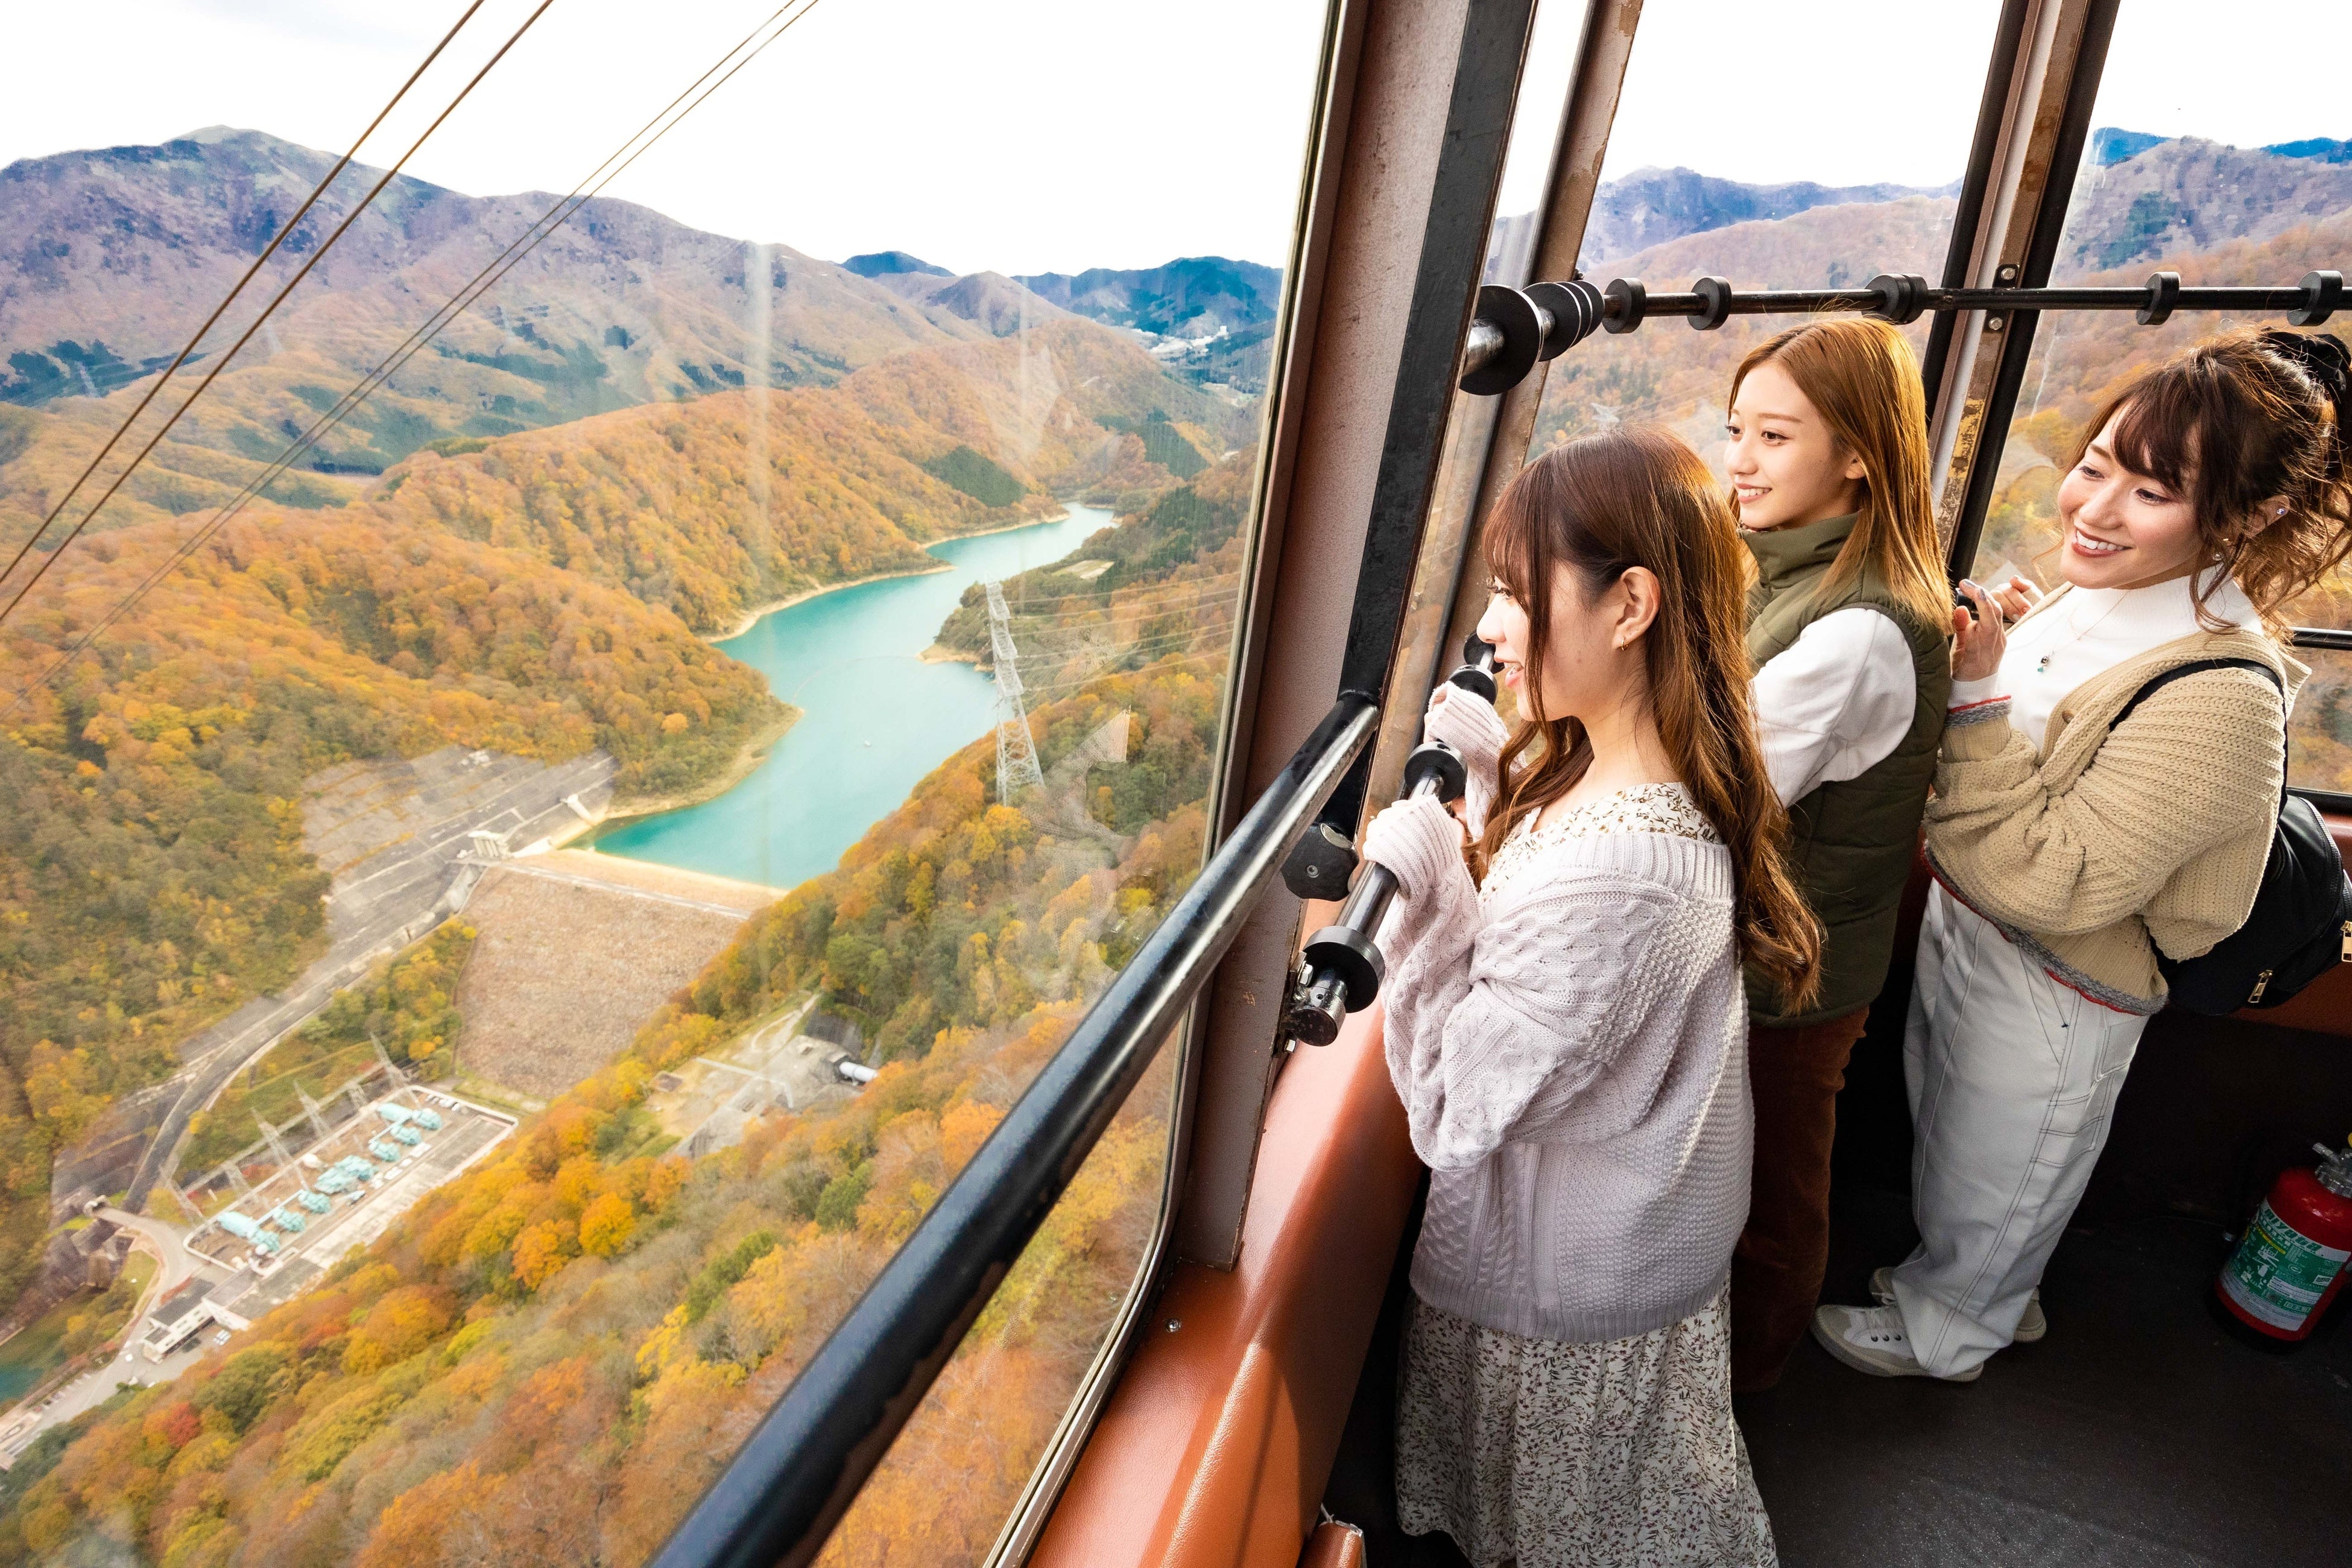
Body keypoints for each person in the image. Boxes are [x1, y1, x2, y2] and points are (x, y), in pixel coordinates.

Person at [1813, 327, 2352, 1382]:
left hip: (2059, 972)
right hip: (1976, 924)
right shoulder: (2103, 594)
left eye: (2151, 493)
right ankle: (1980, 1289)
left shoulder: (2225, 695)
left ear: (2250, 516)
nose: (2096, 510)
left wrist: (1979, 694)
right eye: (2096, 467)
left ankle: (1951, 1334)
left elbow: (2059, 879)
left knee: (2004, 1168)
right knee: (1958, 1139)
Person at [1365, 427, 1822, 1566]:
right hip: (1616, 1252)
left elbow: (1453, 1106)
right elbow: (1540, 962)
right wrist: (1483, 779)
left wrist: (1423, 899)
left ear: (1630, 606)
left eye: (1518, 596)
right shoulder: (1617, 772)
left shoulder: (1623, 877)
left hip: (1564, 1293)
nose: (1492, 628)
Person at [1718, 318, 1958, 1392]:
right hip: (1785, 943)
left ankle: (1746, 1384)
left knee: (1769, 1195)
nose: (1741, 460)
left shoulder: (1858, 628)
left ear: (1859, 455)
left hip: (1792, 968)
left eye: (1774, 437)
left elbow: (1724, 794)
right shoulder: (1789, 573)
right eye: (1736, 430)